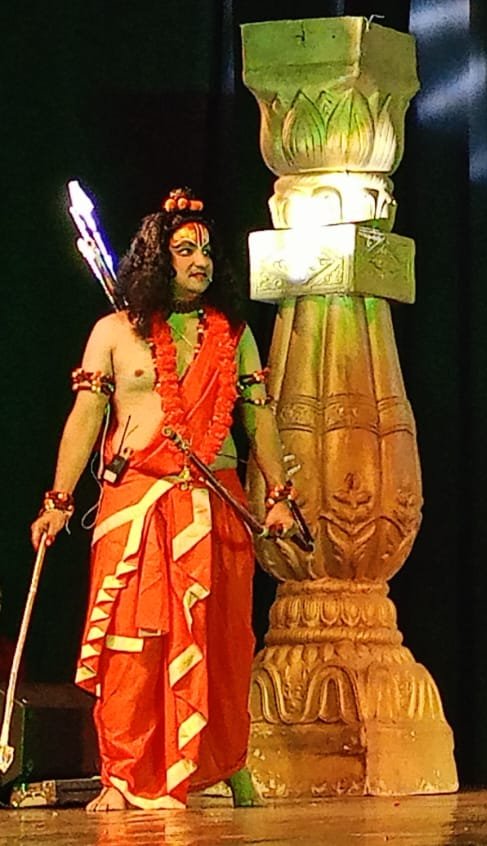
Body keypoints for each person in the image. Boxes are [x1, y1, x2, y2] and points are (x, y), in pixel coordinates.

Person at [29, 188, 298, 811]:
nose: (200, 262)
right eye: (184, 250)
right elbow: (86, 417)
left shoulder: (234, 334)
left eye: (207, 251)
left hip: (215, 502)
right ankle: (124, 775)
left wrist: (281, 496)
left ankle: (227, 762)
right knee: (134, 642)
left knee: (223, 642)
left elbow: (258, 418)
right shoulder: (114, 332)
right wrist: (59, 500)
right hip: (137, 505)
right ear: (158, 257)